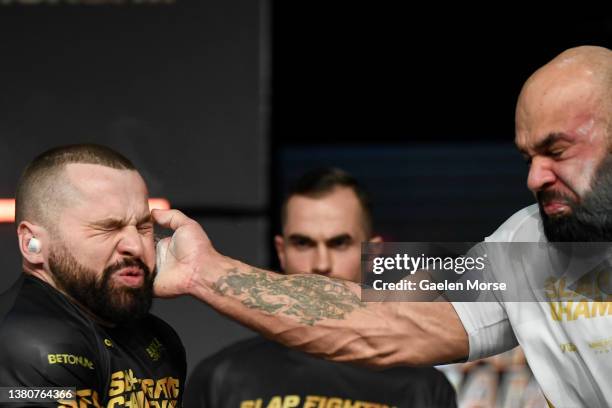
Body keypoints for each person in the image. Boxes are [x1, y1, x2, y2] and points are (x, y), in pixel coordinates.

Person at [152, 45, 612, 408]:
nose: (534, 178)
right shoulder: (524, 248)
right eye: (527, 157)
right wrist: (205, 271)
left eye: (558, 151)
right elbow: (381, 319)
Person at [183, 168, 457, 408]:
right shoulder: (221, 377)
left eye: (339, 243)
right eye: (303, 243)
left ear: (372, 255)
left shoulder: (423, 386)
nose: (321, 264)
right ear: (282, 251)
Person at [0, 145, 186, 407]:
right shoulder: (24, 343)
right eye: (107, 228)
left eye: (143, 227)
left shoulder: (159, 338)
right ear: (33, 243)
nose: (135, 245)